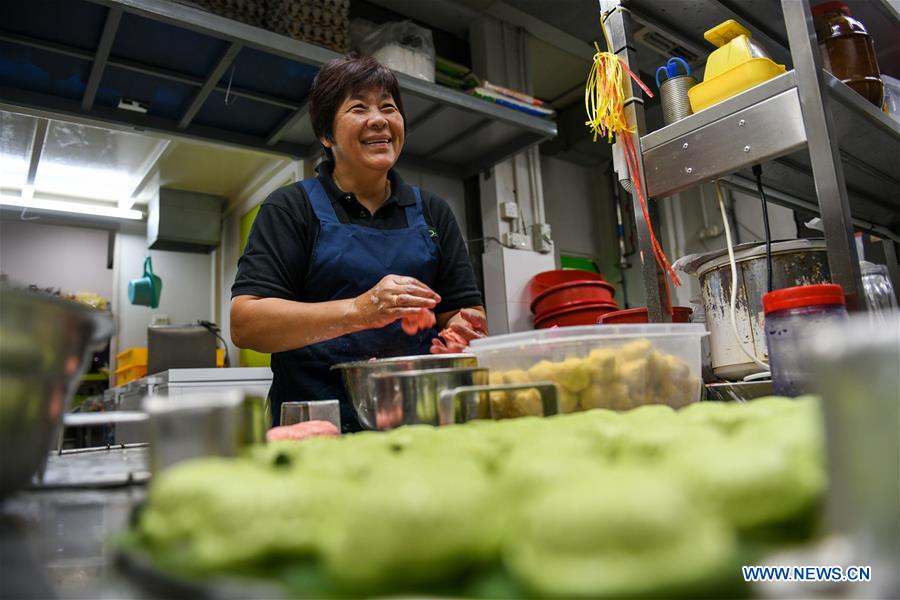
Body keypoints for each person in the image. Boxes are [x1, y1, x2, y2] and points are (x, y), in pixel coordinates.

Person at [231, 55, 488, 432]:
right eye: (358, 107)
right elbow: (246, 324)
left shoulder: (433, 211)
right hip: (318, 428)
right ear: (325, 134)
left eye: (388, 107)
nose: (380, 118)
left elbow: (465, 313)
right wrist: (361, 310)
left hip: (420, 423)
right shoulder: (291, 208)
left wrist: (463, 332)